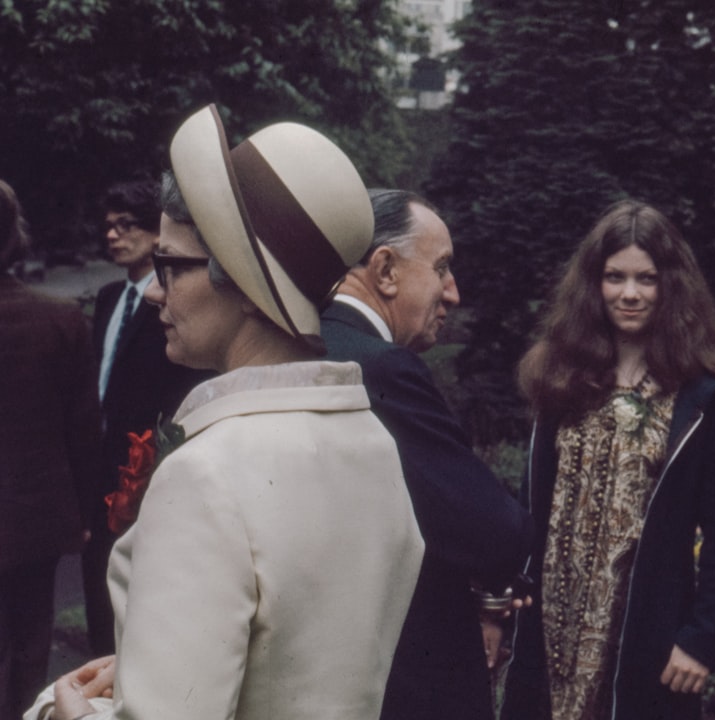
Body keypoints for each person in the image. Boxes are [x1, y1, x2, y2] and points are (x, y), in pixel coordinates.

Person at [24, 104, 425, 720]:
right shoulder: (371, 439)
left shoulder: (207, 473)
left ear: (237, 280)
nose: (155, 288)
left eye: (170, 264)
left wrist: (62, 709)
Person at [501, 200, 715, 720]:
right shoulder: (562, 379)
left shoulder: (706, 399)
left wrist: (702, 639)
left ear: (671, 286)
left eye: (646, 279)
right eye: (615, 277)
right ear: (594, 284)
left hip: (643, 636)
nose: (630, 294)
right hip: (551, 626)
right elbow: (532, 504)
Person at [320, 189, 533, 720]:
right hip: (405, 677)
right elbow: (494, 532)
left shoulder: (304, 342)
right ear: (385, 270)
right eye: (442, 268)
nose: (453, 293)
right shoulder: (381, 366)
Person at [84, 179, 210, 655]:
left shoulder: (170, 302)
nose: (113, 236)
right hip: (101, 461)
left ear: (157, 234)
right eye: (108, 228)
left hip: (145, 461)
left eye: (126, 226)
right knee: (96, 580)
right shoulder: (110, 298)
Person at [0, 180, 100, 720]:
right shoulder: (61, 319)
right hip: (37, 516)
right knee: (30, 639)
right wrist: (83, 514)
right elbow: (84, 428)